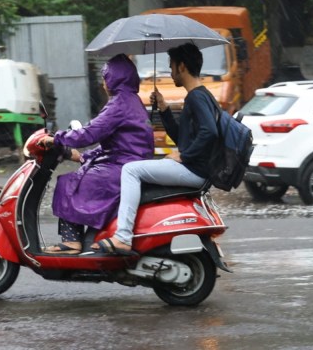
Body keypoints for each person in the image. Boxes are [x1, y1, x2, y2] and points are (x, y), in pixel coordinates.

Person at [92, 43, 218, 254]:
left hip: (195, 170)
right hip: (197, 169)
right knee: (141, 170)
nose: (170, 73)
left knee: (131, 170)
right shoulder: (200, 95)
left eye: (171, 67)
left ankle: (123, 236)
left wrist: (185, 155)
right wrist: (165, 110)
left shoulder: (196, 97)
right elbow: (183, 137)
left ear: (182, 67)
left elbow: (210, 132)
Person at [41, 54, 154, 254]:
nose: (103, 84)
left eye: (105, 78)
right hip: (126, 161)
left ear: (114, 79)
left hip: (121, 166)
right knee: (81, 176)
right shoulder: (132, 100)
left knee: (68, 183)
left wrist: (57, 138)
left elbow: (91, 132)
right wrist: (85, 156)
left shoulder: (119, 104)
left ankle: (71, 242)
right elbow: (118, 142)